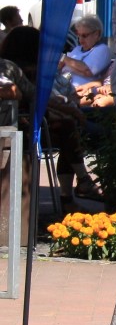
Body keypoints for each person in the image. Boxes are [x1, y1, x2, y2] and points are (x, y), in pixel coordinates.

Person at [0, 26, 96, 209]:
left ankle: (77, 188)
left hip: (31, 126)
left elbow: (36, 97)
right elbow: (35, 96)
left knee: (70, 128)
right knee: (71, 128)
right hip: (25, 129)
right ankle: (77, 187)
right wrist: (72, 111)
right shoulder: (15, 69)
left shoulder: (13, 67)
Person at [58, 14, 112, 95]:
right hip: (63, 86)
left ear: (96, 34)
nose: (80, 40)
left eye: (84, 36)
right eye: (79, 35)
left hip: (82, 92)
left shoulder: (102, 49)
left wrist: (63, 58)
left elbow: (87, 70)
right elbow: (61, 67)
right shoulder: (77, 49)